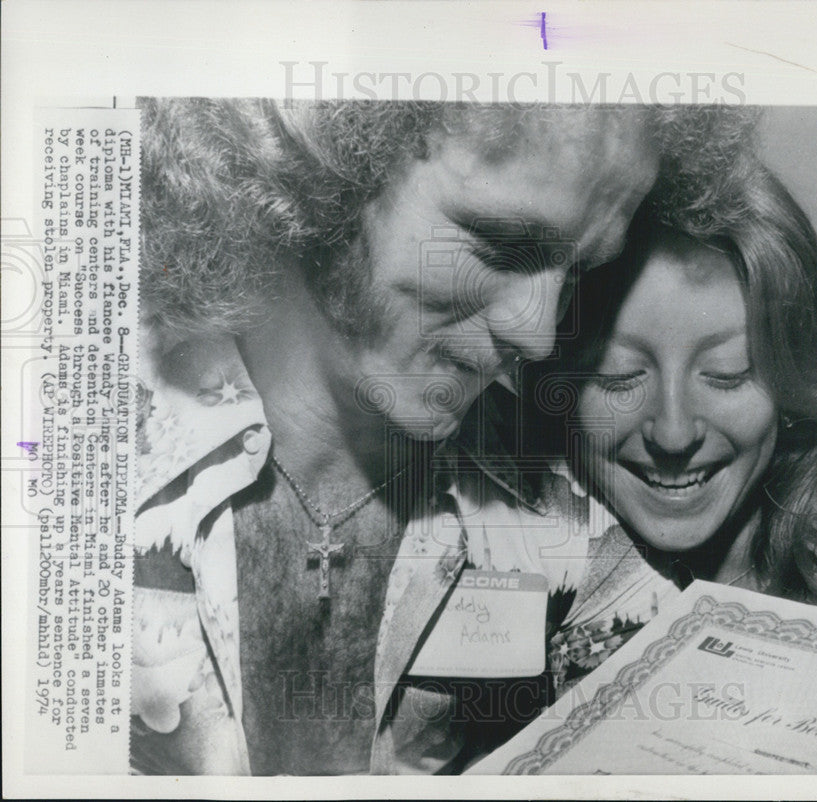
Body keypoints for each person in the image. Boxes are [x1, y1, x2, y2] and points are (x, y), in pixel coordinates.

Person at [129, 98, 762, 774]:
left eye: (578, 272)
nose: (539, 332)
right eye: (498, 247)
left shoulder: (556, 512)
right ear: (311, 176)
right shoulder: (70, 445)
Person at [513, 164, 817, 692]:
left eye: (727, 374)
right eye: (618, 378)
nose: (673, 434)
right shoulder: (515, 553)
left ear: (791, 379)